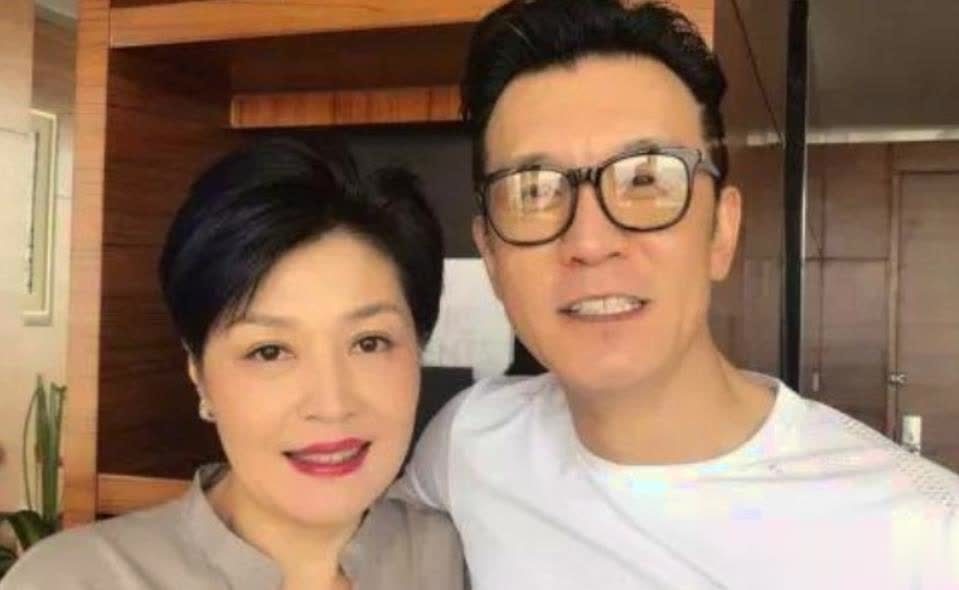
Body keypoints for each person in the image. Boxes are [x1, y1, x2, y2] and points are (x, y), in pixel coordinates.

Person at [394, 1, 959, 588]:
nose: (590, 242)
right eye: (533, 191)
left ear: (722, 231)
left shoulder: (927, 540)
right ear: (490, 256)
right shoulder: (470, 444)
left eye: (645, 179)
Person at [2, 139, 466, 589]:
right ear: (199, 374)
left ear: (419, 345)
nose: (331, 404)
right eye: (270, 351)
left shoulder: (466, 556)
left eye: (369, 342)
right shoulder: (74, 580)